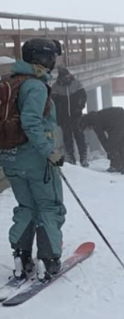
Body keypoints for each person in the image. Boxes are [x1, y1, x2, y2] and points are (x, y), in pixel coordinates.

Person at [0, 39, 66, 279]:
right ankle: (50, 259)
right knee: (49, 206)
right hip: (35, 157)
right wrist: (50, 151)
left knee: (27, 206)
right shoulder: (36, 86)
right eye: (52, 58)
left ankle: (22, 256)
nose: (53, 63)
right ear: (42, 58)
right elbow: (31, 123)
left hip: (10, 156)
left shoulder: (10, 82)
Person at [51, 67, 89, 166]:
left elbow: (83, 96)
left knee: (79, 136)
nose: (68, 79)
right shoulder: (55, 87)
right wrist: (58, 115)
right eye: (65, 77)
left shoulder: (76, 83)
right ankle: (71, 158)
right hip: (64, 117)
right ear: (61, 77)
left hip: (76, 115)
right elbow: (53, 103)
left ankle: (83, 158)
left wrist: (80, 107)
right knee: (67, 138)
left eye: (68, 76)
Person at [81, 106, 124, 174]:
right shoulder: (95, 117)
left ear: (86, 124)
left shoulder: (94, 122)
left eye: (86, 129)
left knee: (112, 144)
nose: (88, 130)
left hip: (122, 120)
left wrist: (108, 151)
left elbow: (102, 138)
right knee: (119, 142)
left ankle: (116, 165)